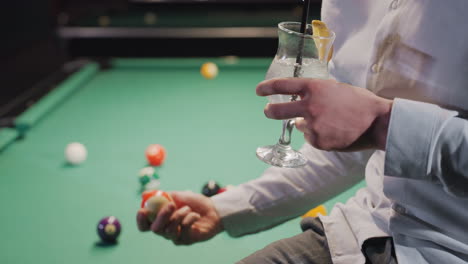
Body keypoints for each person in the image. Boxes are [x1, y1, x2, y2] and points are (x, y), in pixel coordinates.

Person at [137, 1, 468, 263]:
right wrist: (225, 209)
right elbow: (357, 145)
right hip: (362, 231)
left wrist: (383, 123)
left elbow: (375, 128)